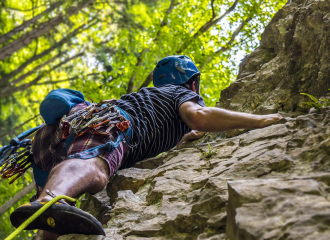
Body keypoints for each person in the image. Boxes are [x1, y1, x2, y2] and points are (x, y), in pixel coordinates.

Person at [10, 55, 282, 239]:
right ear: (193, 83)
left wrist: (189, 136)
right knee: (96, 166)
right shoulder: (181, 94)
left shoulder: (152, 99)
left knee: (56, 212)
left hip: (50, 140)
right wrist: (260, 120)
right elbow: (199, 117)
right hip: (109, 123)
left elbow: (187, 132)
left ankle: (46, 212)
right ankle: (48, 200)